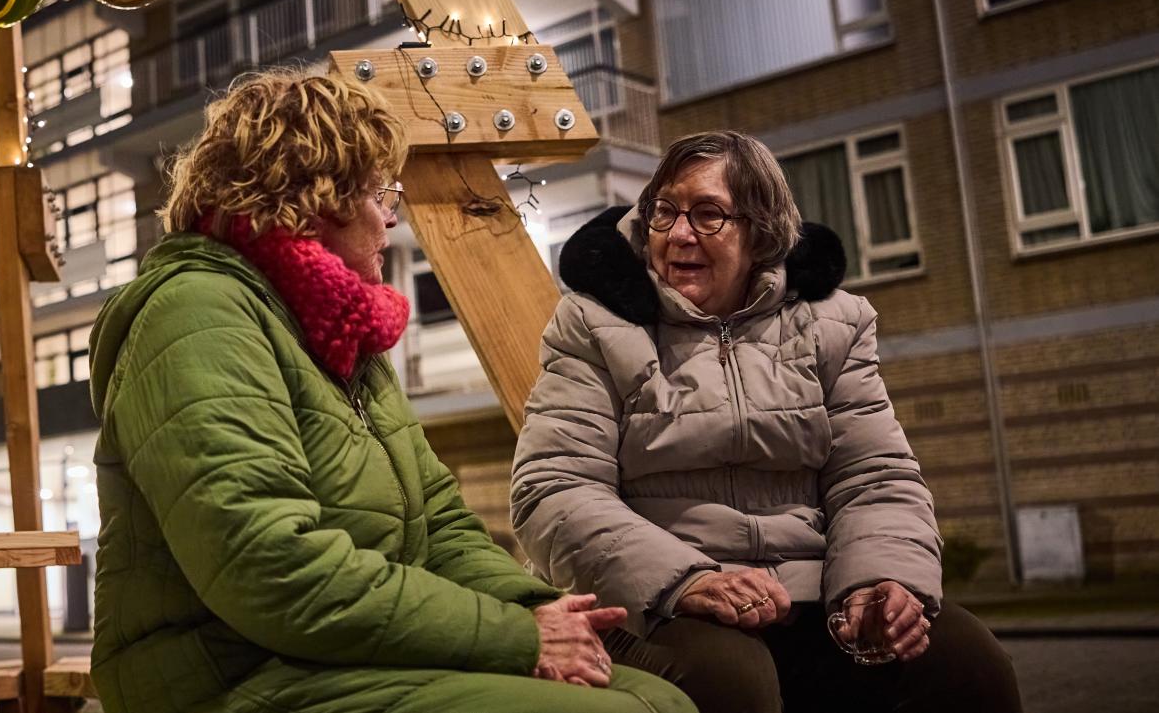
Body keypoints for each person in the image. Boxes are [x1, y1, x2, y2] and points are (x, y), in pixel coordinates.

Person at [87, 70, 693, 713]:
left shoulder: (337, 333)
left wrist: (542, 609)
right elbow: (269, 566)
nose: (391, 218)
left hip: (332, 655)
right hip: (228, 674)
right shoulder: (198, 314)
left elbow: (439, 527)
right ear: (314, 197)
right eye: (380, 193)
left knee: (660, 696)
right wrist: (515, 636)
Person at [511, 130, 1022, 712]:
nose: (679, 234)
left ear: (761, 231)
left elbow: (875, 476)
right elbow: (555, 488)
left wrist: (880, 582)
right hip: (656, 601)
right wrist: (688, 581)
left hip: (814, 589)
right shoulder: (595, 322)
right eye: (664, 211)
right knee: (733, 679)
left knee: (968, 663)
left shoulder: (832, 322)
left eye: (707, 215)